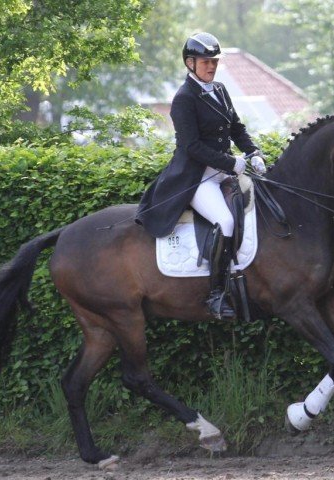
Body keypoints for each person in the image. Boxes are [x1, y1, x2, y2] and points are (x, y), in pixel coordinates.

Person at [136, 32, 266, 320]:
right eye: (206, 62)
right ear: (190, 63)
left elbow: (236, 128)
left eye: (215, 61)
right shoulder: (183, 98)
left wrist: (253, 152)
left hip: (223, 171)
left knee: (264, 203)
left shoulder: (219, 89)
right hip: (197, 177)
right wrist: (232, 163)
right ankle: (217, 294)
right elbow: (191, 147)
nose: (212, 66)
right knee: (227, 221)